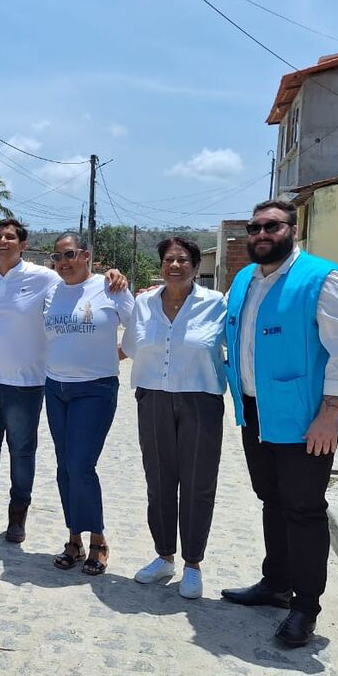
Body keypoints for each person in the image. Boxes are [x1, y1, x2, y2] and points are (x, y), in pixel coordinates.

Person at [220, 200, 338, 647]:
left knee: (303, 509)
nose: (261, 233)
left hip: (308, 419)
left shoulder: (323, 278)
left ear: (293, 230)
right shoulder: (245, 278)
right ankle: (276, 584)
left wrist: (330, 415)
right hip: (256, 411)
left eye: (271, 226)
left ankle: (305, 607)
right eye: (254, 227)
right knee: (271, 499)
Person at [0, 218, 127, 542]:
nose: (3, 242)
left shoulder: (46, 278)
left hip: (27, 384)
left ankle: (18, 515)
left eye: (10, 237)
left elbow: (79, 282)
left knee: (23, 451)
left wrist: (113, 276)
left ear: (23, 245)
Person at [122, 237, 227, 599]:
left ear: (196, 267)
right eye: (169, 259)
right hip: (152, 399)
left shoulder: (216, 305)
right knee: (160, 481)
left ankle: (193, 564)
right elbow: (131, 348)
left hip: (201, 400)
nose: (175, 265)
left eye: (183, 260)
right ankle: (164, 556)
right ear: (161, 265)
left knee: (198, 484)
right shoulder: (144, 303)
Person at [42, 233, 134, 576]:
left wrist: (122, 353)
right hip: (56, 388)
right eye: (57, 257)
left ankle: (98, 539)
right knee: (64, 466)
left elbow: (137, 324)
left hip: (95, 389)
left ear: (86, 256)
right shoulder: (52, 290)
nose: (63, 262)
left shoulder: (110, 286)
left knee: (81, 464)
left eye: (70, 255)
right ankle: (73, 538)